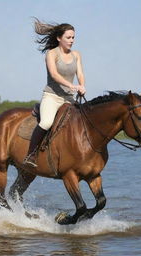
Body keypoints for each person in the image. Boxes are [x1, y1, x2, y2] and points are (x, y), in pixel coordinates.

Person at [23, 18, 86, 167]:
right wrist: (72, 85)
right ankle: (30, 155)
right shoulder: (52, 54)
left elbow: (80, 74)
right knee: (46, 122)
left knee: (82, 121)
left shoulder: (76, 54)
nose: (71, 40)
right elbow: (54, 75)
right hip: (52, 96)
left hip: (68, 98)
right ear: (59, 38)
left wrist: (82, 86)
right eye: (68, 37)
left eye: (73, 37)